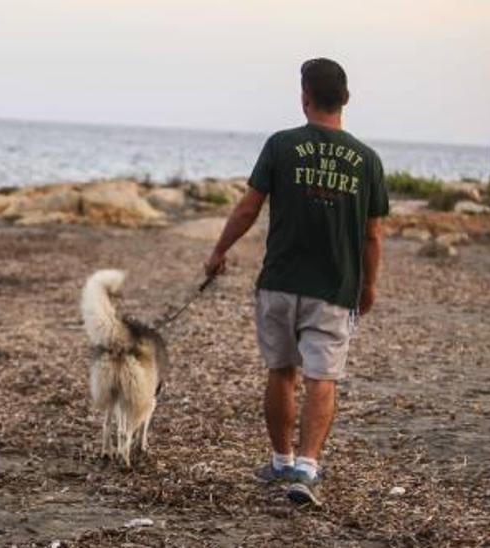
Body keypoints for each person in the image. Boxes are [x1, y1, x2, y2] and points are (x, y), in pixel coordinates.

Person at [204, 58, 388, 507]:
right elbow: (372, 233)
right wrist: (368, 286)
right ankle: (306, 467)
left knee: (281, 371)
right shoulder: (367, 160)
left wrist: (219, 250)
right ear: (346, 98)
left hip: (280, 283)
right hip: (333, 286)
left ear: (304, 97)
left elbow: (248, 208)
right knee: (322, 377)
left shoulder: (281, 145)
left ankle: (280, 459)